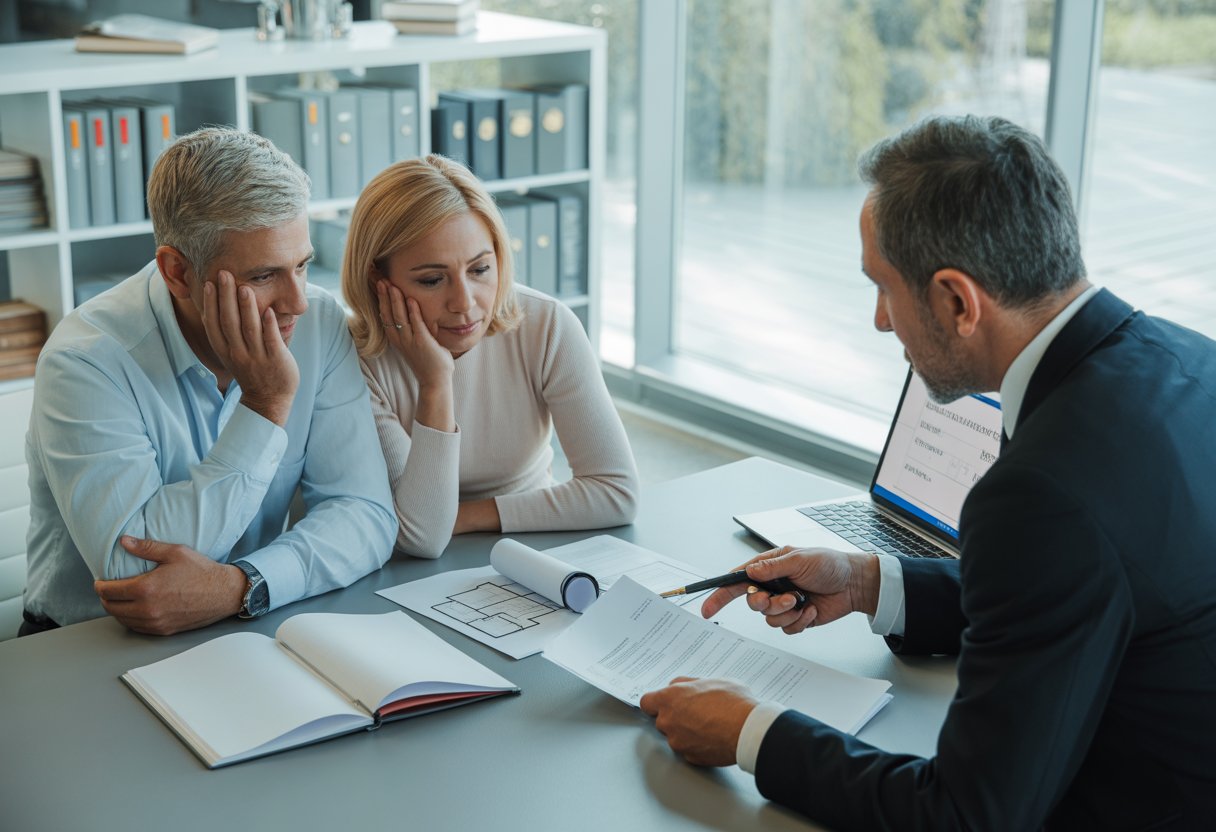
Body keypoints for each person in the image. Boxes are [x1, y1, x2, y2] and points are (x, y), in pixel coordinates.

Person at [639, 115, 1216, 829]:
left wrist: (751, 732)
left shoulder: (1043, 491)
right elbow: (1079, 586)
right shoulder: (1191, 359)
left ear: (955, 300)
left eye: (883, 288)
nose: (881, 322)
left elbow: (965, 815)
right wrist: (866, 582)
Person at [21, 127, 396, 636]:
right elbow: (140, 578)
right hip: (83, 645)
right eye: (263, 276)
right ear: (177, 272)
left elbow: (366, 516)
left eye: (302, 266)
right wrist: (265, 404)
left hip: (245, 619)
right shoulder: (84, 361)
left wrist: (242, 586)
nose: (297, 302)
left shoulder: (318, 323)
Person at [342, 155, 638, 559]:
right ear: (380, 281)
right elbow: (423, 537)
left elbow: (616, 492)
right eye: (432, 279)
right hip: (407, 571)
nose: (464, 303)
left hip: (531, 547)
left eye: (480, 269)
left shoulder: (546, 325)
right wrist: (435, 382)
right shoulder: (355, 360)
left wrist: (467, 516)